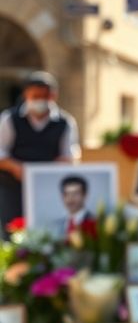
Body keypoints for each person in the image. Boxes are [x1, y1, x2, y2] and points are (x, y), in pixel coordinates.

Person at [0, 71, 80, 238]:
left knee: (47, 234)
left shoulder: (65, 122)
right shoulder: (9, 119)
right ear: (26, 94)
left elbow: (71, 154)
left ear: (54, 95)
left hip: (49, 188)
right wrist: (15, 167)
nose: (40, 100)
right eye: (35, 95)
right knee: (13, 234)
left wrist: (67, 162)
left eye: (45, 96)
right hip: (14, 188)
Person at [50, 175, 94, 239]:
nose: (70, 199)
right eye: (66, 194)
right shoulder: (55, 225)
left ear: (85, 195)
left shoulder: (95, 223)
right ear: (62, 197)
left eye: (75, 194)